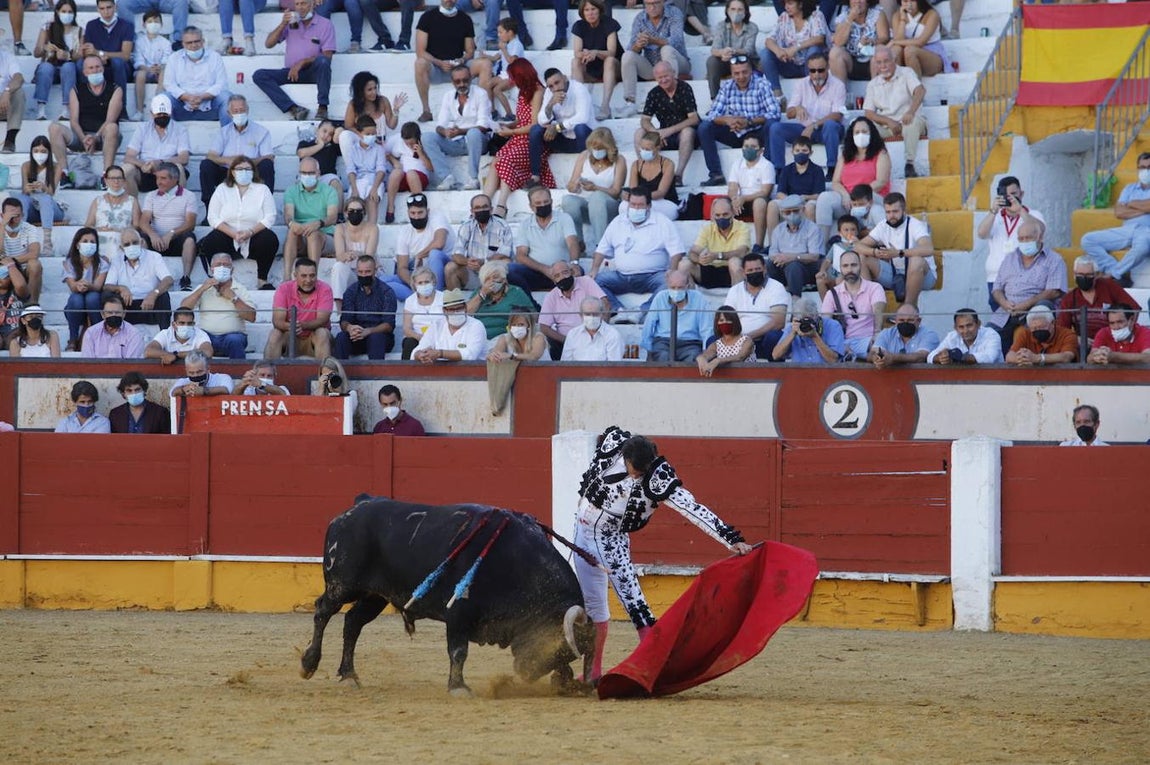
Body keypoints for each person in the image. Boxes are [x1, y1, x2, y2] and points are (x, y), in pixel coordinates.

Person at [572, 425, 752, 682]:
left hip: (610, 539)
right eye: (636, 469)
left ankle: (654, 670)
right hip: (580, 532)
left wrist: (731, 540)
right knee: (594, 606)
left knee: (635, 604)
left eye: (643, 471)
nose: (638, 476)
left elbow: (692, 509)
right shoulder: (615, 444)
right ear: (626, 458)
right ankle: (592, 673)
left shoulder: (658, 477)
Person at [591, 187, 685, 317]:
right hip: (621, 276)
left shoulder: (662, 222)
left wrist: (673, 270)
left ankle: (642, 312)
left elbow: (677, 251)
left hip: (653, 275)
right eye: (633, 204)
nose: (636, 208)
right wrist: (594, 269)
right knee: (593, 282)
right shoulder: (618, 221)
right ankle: (619, 311)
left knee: (670, 284)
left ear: (649, 206)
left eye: (640, 205)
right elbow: (601, 248)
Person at [697, 57, 780, 187]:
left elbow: (775, 113)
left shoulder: (762, 84)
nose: (741, 76)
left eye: (744, 72)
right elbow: (712, 114)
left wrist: (749, 122)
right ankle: (716, 174)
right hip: (734, 131)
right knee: (704, 127)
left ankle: (769, 169)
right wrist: (727, 120)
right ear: (731, 73)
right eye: (736, 73)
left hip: (755, 131)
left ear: (751, 71)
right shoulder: (727, 87)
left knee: (772, 125)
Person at [485, 59, 554, 215]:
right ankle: (485, 200)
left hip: (531, 141)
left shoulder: (537, 91)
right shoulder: (523, 92)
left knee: (505, 160)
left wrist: (511, 132)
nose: (512, 81)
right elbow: (522, 119)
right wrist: (508, 125)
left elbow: (534, 125)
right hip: (518, 138)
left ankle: (501, 205)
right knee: (497, 160)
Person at [199, 157, 279, 290]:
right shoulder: (222, 189)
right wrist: (232, 233)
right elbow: (213, 217)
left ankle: (262, 280)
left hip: (254, 235)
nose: (244, 172)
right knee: (210, 241)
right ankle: (218, 279)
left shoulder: (262, 189)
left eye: (248, 169)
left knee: (269, 239)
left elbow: (270, 217)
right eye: (240, 169)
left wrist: (250, 232)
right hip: (228, 236)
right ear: (232, 172)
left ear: (254, 172)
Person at [989, 217, 1064, 353]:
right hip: (1007, 310)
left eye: (1028, 238)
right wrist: (1004, 303)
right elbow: (996, 289)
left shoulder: (1054, 259)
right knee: (988, 336)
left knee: (1041, 311)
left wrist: (1024, 305)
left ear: (1040, 237)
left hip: (1035, 310)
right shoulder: (1010, 258)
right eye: (1021, 239)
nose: (1024, 242)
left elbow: (1054, 291)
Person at [253, 0, 336, 122]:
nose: (300, 7)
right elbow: (268, 44)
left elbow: (328, 55)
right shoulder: (291, 22)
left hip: (312, 72)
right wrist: (282, 24)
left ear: (312, 4)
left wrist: (302, 62)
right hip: (291, 72)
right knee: (259, 75)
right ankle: (294, 108)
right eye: (297, 4)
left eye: (304, 3)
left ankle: (322, 107)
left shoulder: (325, 24)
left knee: (323, 61)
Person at [48, 55, 122, 187]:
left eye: (98, 67)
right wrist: (84, 138)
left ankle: (106, 176)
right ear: (85, 72)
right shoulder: (76, 90)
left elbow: (111, 119)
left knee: (112, 127)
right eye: (91, 68)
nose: (95, 70)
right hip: (82, 136)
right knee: (54, 128)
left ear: (103, 69)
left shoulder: (115, 89)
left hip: (105, 136)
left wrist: (96, 137)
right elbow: (74, 121)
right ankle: (65, 174)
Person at [412, 0, 492, 123]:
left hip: (459, 68)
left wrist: (462, 60)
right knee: (420, 63)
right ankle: (426, 110)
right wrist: (439, 63)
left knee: (485, 64)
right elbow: (420, 52)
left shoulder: (465, 19)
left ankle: (484, 111)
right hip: (436, 68)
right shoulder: (427, 17)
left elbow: (470, 51)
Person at [768, 51, 845, 175]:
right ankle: (779, 170)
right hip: (804, 130)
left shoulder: (838, 85)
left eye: (820, 70)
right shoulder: (801, 84)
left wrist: (814, 126)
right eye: (812, 70)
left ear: (828, 68)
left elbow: (837, 115)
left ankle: (832, 168)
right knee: (776, 128)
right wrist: (797, 108)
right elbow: (789, 113)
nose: (816, 74)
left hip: (826, 130)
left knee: (831, 125)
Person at [1080, 152, 1150, 287]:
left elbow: (1127, 209)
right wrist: (1145, 208)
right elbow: (1119, 212)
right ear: (1137, 169)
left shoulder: (1130, 196)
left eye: (1149, 167)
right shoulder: (1129, 188)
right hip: (1127, 230)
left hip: (1147, 231)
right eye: (1142, 167)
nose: (1146, 170)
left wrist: (1131, 204)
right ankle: (1118, 270)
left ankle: (1113, 274)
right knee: (1088, 240)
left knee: (1142, 247)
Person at [854, 191, 936, 307]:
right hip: (895, 273)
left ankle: (907, 310)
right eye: (888, 212)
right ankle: (869, 308)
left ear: (904, 210)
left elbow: (928, 249)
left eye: (895, 211)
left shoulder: (915, 225)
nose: (891, 216)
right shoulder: (883, 225)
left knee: (916, 261)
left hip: (923, 276)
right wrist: (874, 252)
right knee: (863, 257)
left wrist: (898, 253)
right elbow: (858, 246)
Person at [815, 116, 890, 238]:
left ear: (872, 133)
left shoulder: (881, 153)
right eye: (857, 132)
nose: (861, 135)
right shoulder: (846, 155)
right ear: (852, 135)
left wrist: (858, 197)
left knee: (875, 210)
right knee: (824, 198)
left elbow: (881, 181)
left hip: (871, 198)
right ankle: (821, 247)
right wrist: (846, 195)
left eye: (865, 132)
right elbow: (835, 182)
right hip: (848, 201)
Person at [200, 95, 276, 212]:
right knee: (206, 165)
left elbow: (269, 157)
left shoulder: (261, 132)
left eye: (242, 110)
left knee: (267, 165)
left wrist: (243, 162)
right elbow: (211, 155)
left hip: (251, 171)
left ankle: (266, 210)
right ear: (229, 113)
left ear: (248, 110)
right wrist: (228, 160)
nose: (239, 113)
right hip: (227, 172)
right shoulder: (223, 132)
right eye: (235, 111)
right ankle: (209, 210)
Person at [977, 175, 1046, 305]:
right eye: (1006, 195)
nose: (1011, 198)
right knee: (999, 318)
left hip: (1024, 276)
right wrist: (993, 211)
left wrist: (1020, 210)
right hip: (995, 277)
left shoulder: (1033, 214)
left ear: (1022, 193)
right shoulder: (995, 217)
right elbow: (981, 233)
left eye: (1014, 194)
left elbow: (1040, 230)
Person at [617, 0, 690, 119]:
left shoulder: (674, 13)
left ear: (663, 2)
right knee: (627, 56)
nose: (652, 7)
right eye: (648, 4)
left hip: (678, 63)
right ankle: (630, 103)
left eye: (656, 3)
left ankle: (674, 98)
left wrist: (653, 40)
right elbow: (632, 48)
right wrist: (638, 45)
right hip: (653, 67)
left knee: (666, 49)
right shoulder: (640, 18)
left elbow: (677, 41)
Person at [423, 64, 491, 192]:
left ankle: (473, 178)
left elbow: (483, 126)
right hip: (456, 141)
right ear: (452, 82)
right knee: (426, 137)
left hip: (477, 142)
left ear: (471, 78)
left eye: (465, 80)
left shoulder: (481, 94)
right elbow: (440, 125)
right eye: (457, 81)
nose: (462, 84)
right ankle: (446, 177)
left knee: (473, 133)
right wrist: (445, 131)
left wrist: (461, 131)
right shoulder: (448, 96)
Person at [863, 45, 926, 178]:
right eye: (879, 62)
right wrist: (888, 121)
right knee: (864, 128)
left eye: (886, 61)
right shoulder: (873, 84)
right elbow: (868, 112)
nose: (883, 66)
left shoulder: (906, 72)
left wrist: (910, 112)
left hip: (908, 120)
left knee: (912, 123)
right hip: (888, 125)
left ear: (894, 60)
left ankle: (910, 164)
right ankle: (866, 166)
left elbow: (920, 90)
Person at [178, 251, 256, 359]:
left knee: (235, 339)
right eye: (218, 265)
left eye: (226, 265)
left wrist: (234, 298)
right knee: (195, 337)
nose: (222, 267)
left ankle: (239, 374)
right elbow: (183, 308)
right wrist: (201, 290)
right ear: (211, 269)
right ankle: (197, 372)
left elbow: (252, 317)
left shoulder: (240, 289)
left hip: (232, 336)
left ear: (232, 270)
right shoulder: (203, 287)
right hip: (206, 336)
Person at [561, 127, 626, 254]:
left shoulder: (619, 160)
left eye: (600, 149)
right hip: (586, 204)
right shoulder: (584, 156)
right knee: (568, 200)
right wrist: (575, 185)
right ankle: (578, 244)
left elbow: (616, 191)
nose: (596, 151)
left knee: (597, 197)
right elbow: (571, 184)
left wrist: (596, 187)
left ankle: (600, 246)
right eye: (594, 148)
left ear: (609, 147)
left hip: (608, 206)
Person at [140, 162, 198, 291]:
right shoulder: (151, 195)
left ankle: (186, 278)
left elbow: (190, 224)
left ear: (175, 179)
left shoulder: (189, 196)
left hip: (177, 240)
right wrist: (153, 235)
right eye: (157, 178)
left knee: (189, 238)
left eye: (163, 178)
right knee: (142, 238)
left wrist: (171, 233)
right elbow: (143, 222)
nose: (158, 182)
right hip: (156, 241)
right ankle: (144, 277)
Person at [511, 186, 581, 293]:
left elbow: (572, 243)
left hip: (563, 272)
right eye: (538, 203)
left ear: (551, 202)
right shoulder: (525, 225)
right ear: (531, 206)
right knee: (511, 271)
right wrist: (545, 269)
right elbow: (521, 255)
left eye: (546, 202)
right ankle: (530, 305)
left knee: (578, 272)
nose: (543, 205)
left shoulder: (564, 218)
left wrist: (574, 263)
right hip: (537, 272)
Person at [637, 60, 699, 179]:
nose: (663, 80)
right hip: (663, 136)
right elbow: (644, 120)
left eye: (666, 76)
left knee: (687, 132)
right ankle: (643, 170)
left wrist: (669, 131)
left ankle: (678, 175)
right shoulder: (654, 93)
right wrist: (655, 133)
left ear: (673, 73)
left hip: (684, 135)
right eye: (660, 77)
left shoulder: (684, 88)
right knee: (639, 133)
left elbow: (694, 119)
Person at [531, 68, 596, 180]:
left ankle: (585, 170)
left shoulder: (579, 89)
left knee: (580, 128)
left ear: (565, 78)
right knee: (536, 130)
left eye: (557, 83)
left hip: (584, 139)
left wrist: (557, 127)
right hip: (564, 140)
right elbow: (541, 120)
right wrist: (550, 104)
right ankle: (535, 176)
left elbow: (582, 117)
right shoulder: (549, 93)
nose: (555, 88)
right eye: (551, 86)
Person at [104, 227, 174, 329]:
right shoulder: (117, 260)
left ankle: (166, 334)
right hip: (127, 307)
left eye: (135, 242)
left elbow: (168, 279)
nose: (131, 246)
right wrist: (121, 288)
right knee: (107, 295)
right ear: (121, 248)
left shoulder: (154, 257)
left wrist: (154, 294)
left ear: (141, 242)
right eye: (127, 244)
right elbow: (107, 286)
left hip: (150, 305)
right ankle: (111, 333)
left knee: (163, 296)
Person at [723, 250, 789, 359]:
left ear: (765, 269)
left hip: (764, 340)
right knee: (714, 340)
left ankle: (775, 371)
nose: (754, 272)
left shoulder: (776, 287)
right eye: (750, 270)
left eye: (758, 269)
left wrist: (749, 336)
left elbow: (778, 323)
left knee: (774, 336)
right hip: (739, 340)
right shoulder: (735, 290)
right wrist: (736, 338)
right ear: (743, 272)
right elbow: (727, 318)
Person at [122, 94, 191, 196]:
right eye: (159, 114)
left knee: (179, 168)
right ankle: (134, 208)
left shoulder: (180, 130)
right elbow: (128, 156)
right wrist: (144, 165)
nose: (162, 117)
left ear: (170, 112)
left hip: (169, 171)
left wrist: (161, 163)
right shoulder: (143, 128)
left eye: (165, 114)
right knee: (126, 169)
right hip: (146, 172)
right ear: (152, 113)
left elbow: (184, 158)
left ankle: (179, 206)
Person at [283, 156, 339, 282]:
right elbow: (288, 215)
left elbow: (332, 217)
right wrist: (292, 223)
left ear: (318, 173)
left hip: (324, 235)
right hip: (300, 236)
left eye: (311, 173)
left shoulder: (329, 191)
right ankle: (286, 277)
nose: (307, 176)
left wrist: (318, 223)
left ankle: (313, 277)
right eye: (304, 173)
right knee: (292, 231)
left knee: (313, 234)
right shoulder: (291, 191)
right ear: (299, 173)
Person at [760, 0, 828, 103]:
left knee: (814, 50)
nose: (786, 7)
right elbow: (769, 40)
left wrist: (795, 48)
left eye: (790, 3)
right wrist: (778, 51)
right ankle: (778, 96)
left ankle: (812, 93)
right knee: (766, 53)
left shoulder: (816, 15)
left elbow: (819, 38)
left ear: (800, 4)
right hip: (789, 64)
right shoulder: (784, 17)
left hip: (810, 66)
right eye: (785, 4)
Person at [539, 261, 609, 360]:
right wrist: (568, 340)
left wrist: (600, 331)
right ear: (554, 281)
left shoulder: (586, 282)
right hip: (565, 341)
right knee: (550, 341)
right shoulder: (551, 296)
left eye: (565, 272)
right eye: (557, 276)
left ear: (572, 272)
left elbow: (605, 304)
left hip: (592, 335)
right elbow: (544, 327)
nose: (562, 278)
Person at [266, 257, 333, 359]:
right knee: (275, 334)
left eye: (312, 276)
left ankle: (324, 373)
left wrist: (301, 325)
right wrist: (292, 326)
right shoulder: (284, 288)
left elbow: (323, 319)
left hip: (314, 338)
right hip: (290, 337)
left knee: (322, 333)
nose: (308, 280)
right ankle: (267, 372)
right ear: (295, 275)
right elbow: (277, 321)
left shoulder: (325, 289)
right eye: (304, 276)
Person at [160, 27, 231, 125]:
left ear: (202, 41)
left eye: (197, 41)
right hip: (182, 107)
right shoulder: (174, 58)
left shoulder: (215, 57)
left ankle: (228, 138)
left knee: (227, 98)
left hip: (210, 107)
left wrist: (201, 97)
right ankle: (168, 138)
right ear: (183, 44)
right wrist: (187, 97)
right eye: (189, 42)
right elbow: (169, 84)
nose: (193, 45)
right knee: (162, 99)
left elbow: (221, 84)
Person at [821, 249, 883, 358]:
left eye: (853, 265)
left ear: (860, 266)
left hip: (869, 341)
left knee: (882, 343)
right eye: (845, 266)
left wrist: (877, 336)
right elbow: (826, 323)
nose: (850, 269)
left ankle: (861, 356)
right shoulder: (832, 294)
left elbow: (878, 312)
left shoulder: (874, 288)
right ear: (840, 269)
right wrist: (838, 346)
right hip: (842, 342)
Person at [1057, 257, 1135, 343]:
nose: (1084, 278)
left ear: (1096, 275)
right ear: (1074, 275)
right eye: (1080, 275)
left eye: (1088, 275)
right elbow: (1062, 331)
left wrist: (1124, 332)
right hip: (1084, 345)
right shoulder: (1069, 298)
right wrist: (1077, 339)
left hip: (1112, 341)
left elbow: (1134, 308)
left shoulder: (1109, 286)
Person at [334, 254, 398, 359]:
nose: (363, 275)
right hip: (356, 336)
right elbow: (344, 320)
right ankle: (338, 374)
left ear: (375, 270)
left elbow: (388, 325)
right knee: (341, 337)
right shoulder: (350, 291)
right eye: (360, 272)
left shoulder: (386, 292)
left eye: (368, 272)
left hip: (379, 336)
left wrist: (368, 331)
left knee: (376, 338)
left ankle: (376, 375)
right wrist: (350, 328)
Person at [445, 193, 513, 290]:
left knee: (506, 262)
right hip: (472, 272)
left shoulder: (502, 226)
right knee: (450, 267)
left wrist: (483, 262)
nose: (481, 210)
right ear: (472, 211)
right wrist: (467, 261)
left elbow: (505, 253)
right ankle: (456, 303)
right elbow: (456, 254)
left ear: (491, 209)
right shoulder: (466, 226)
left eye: (485, 207)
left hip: (493, 271)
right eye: (477, 208)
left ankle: (500, 298)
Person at [640, 270, 710, 362]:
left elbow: (707, 328)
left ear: (687, 286)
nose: (676, 291)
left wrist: (706, 353)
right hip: (663, 341)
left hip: (690, 343)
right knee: (662, 356)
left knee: (694, 358)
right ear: (667, 286)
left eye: (680, 288)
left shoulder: (698, 298)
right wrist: (648, 349)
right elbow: (649, 324)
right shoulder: (660, 297)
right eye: (673, 287)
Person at [32, 0, 83, 122]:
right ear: (57, 12)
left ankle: (66, 110)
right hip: (51, 68)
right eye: (64, 11)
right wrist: (44, 48)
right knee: (45, 67)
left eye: (70, 12)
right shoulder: (48, 28)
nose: (67, 14)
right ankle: (41, 110)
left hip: (68, 72)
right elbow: (36, 53)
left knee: (68, 66)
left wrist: (67, 56)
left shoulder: (78, 31)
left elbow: (79, 55)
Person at [570, 0, 621, 121]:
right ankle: (580, 105)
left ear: (599, 10)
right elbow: (577, 52)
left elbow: (612, 52)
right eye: (586, 10)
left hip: (614, 69)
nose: (590, 13)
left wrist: (596, 52)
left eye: (593, 9)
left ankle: (605, 106)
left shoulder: (609, 23)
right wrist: (585, 53)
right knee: (575, 62)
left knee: (609, 60)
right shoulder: (579, 25)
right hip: (592, 70)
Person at [61, 228, 109, 351]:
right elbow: (72, 286)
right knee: (76, 298)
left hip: (95, 305)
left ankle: (98, 336)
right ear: (77, 245)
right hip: (76, 308)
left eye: (93, 242)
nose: (89, 244)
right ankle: (73, 339)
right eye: (85, 241)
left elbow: (98, 286)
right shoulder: (69, 263)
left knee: (92, 296)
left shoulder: (102, 263)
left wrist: (88, 285)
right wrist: (78, 285)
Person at [768, 194, 824, 300]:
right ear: (782, 213)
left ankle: (795, 299)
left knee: (794, 266)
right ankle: (774, 295)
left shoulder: (813, 229)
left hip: (806, 267)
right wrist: (780, 258)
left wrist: (793, 257)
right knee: (769, 264)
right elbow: (772, 253)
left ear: (803, 210)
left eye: (795, 211)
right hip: (783, 265)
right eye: (787, 212)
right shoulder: (778, 230)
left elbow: (814, 256)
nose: (792, 215)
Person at [395, 192, 455, 291]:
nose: (416, 217)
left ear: (427, 211)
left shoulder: (437, 217)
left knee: (434, 254)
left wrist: (419, 255)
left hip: (445, 270)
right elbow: (402, 267)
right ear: (408, 213)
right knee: (384, 281)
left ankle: (436, 294)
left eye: (420, 212)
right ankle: (419, 296)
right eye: (413, 213)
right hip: (420, 276)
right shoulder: (404, 231)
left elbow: (439, 243)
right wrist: (414, 283)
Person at [14, 138, 64, 253]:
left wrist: (43, 188)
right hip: (33, 209)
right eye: (36, 151)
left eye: (43, 151)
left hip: (51, 209)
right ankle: (21, 240)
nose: (39, 154)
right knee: (22, 199)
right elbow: (24, 191)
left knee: (44, 198)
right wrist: (28, 188)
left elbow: (51, 193)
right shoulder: (26, 166)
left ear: (49, 152)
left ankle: (47, 242)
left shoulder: (56, 167)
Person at [686, 197, 748, 289]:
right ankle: (691, 301)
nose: (721, 218)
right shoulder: (708, 228)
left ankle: (738, 300)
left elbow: (742, 252)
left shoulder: (742, 227)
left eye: (725, 214)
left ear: (733, 213)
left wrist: (718, 255)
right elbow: (692, 252)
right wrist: (699, 260)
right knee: (684, 265)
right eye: (718, 215)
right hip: (710, 270)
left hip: (731, 272)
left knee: (734, 262)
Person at [412, 288, 488, 362]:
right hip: (441, 372)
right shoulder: (436, 325)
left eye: (459, 308)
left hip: (471, 372)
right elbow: (417, 351)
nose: (456, 312)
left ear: (465, 308)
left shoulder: (476, 325)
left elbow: (470, 355)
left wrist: (440, 353)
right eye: (451, 309)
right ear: (444, 311)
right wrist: (420, 355)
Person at [466, 260, 536, 340]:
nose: (491, 281)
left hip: (505, 337)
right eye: (487, 278)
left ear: (504, 280)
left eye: (495, 277)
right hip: (478, 335)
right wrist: (482, 294)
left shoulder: (516, 292)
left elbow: (533, 316)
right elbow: (466, 314)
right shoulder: (478, 292)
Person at [84, 165, 141, 259]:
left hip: (123, 237)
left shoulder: (132, 201)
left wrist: (118, 230)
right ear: (106, 180)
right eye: (112, 178)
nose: (116, 181)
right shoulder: (98, 201)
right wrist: (99, 229)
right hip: (101, 237)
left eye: (119, 178)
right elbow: (88, 225)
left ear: (124, 180)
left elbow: (137, 225)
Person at [383, 122, 435, 224]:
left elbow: (431, 167)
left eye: (411, 143)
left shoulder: (425, 142)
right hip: (403, 176)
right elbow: (384, 152)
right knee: (396, 173)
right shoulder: (397, 140)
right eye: (407, 143)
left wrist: (420, 153)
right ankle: (390, 207)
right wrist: (394, 161)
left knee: (411, 173)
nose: (409, 145)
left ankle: (418, 207)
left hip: (419, 177)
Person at [332, 197, 382, 302]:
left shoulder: (372, 228)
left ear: (364, 213)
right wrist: (346, 256)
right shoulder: (340, 228)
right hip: (349, 272)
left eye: (359, 211)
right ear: (346, 213)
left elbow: (369, 256)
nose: (355, 213)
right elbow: (339, 256)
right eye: (351, 211)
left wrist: (356, 254)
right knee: (338, 267)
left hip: (368, 272)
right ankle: (340, 311)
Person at [771, 134, 825, 230]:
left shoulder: (817, 170)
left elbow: (819, 194)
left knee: (810, 207)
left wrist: (804, 198)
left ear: (811, 152)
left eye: (804, 151)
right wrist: (791, 202)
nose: (800, 153)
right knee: (772, 205)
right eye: (797, 151)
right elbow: (780, 193)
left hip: (807, 201)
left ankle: (810, 241)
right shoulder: (786, 169)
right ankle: (773, 243)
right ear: (792, 152)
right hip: (789, 201)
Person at [78, 0, 134, 93]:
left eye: (109, 7)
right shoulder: (91, 25)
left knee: (118, 62)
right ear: (98, 9)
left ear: (115, 7)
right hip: (98, 64)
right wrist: (98, 60)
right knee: (82, 64)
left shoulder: (126, 26)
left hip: (121, 68)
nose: (106, 11)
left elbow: (126, 56)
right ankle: (87, 102)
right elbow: (88, 52)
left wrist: (100, 53)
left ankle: (121, 105)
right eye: (102, 8)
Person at [707, 0, 759, 99]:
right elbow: (714, 49)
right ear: (727, 11)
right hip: (726, 61)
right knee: (712, 61)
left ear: (746, 12)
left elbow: (749, 50)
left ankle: (747, 99)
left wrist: (732, 51)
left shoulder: (752, 27)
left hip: (745, 60)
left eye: (740, 9)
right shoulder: (721, 26)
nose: (736, 13)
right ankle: (715, 100)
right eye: (733, 9)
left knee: (743, 60)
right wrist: (722, 53)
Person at [624, 130, 679, 221]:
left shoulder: (668, 164)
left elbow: (661, 192)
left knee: (651, 210)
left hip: (664, 202)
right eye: (642, 148)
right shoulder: (636, 165)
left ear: (657, 148)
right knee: (623, 206)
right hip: (642, 202)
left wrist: (641, 199)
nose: (644, 151)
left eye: (648, 149)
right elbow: (633, 190)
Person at [829, 0, 889, 83]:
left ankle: (876, 91)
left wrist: (872, 42)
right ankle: (840, 92)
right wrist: (850, 18)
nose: (857, 2)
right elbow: (838, 42)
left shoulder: (877, 14)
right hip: (851, 61)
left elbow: (885, 37)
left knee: (880, 51)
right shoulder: (843, 17)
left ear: (868, 2)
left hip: (873, 58)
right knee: (835, 52)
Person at [344, 114, 388, 225]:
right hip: (358, 180)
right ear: (359, 133)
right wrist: (354, 188)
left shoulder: (379, 149)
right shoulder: (352, 150)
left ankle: (371, 228)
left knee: (372, 199)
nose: (371, 136)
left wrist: (374, 188)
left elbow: (381, 170)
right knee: (353, 203)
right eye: (368, 134)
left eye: (373, 133)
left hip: (375, 181)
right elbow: (351, 170)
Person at [772, 297, 845, 362]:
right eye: (803, 320)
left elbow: (833, 360)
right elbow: (775, 356)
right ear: (796, 318)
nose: (806, 323)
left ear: (816, 314)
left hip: (825, 373)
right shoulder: (792, 327)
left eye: (809, 319)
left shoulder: (833, 326)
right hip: (799, 373)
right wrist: (792, 333)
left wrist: (815, 337)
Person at [867, 302, 937, 367]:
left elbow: (921, 356)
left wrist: (893, 357)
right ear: (896, 320)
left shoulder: (929, 335)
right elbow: (872, 353)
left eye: (910, 320)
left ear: (919, 321)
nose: (905, 323)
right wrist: (876, 358)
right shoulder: (886, 333)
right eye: (901, 320)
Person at [889, 0, 947, 78]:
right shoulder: (897, 16)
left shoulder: (932, 14)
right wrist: (902, 19)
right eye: (905, 1)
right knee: (896, 50)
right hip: (906, 52)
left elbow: (921, 42)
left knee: (910, 51)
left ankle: (917, 88)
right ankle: (897, 86)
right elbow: (898, 40)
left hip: (931, 53)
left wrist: (894, 42)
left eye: (913, 1)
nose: (909, 4)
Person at [1005, 304, 1077, 367]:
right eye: (1034, 328)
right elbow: (1009, 356)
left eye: (1042, 327)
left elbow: (1066, 357)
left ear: (1052, 323)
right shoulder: (1024, 333)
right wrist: (1022, 359)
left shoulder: (1067, 334)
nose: (1038, 330)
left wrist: (1037, 358)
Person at [1, 198, 44, 303]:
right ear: (2, 215)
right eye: (10, 216)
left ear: (22, 215)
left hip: (22, 268)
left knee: (35, 264)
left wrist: (11, 261)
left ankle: (32, 306)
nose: (13, 219)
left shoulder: (30, 228)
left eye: (17, 216)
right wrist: (2, 226)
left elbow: (34, 254)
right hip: (3, 271)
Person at [81, 291, 146, 358]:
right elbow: (88, 363)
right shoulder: (91, 333)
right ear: (102, 314)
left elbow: (131, 364)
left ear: (124, 314)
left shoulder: (134, 334)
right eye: (109, 312)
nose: (113, 315)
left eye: (117, 312)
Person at [927, 308, 1002, 365]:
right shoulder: (952, 336)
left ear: (978, 324)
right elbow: (930, 357)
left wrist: (960, 358)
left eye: (969, 325)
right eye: (961, 327)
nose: (965, 331)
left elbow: (989, 357)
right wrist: (941, 358)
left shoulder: (991, 334)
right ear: (955, 328)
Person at [131, 11, 169, 121]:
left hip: (159, 72)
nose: (153, 24)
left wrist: (159, 67)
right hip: (145, 70)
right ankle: (139, 111)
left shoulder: (165, 42)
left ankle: (157, 105)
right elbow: (138, 61)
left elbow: (167, 59)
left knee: (165, 72)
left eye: (156, 21)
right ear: (144, 24)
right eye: (150, 21)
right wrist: (148, 69)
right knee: (140, 74)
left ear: (161, 24)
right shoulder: (139, 41)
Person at [298, 119, 344, 210]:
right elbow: (301, 153)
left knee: (335, 183)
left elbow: (342, 134)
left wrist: (339, 130)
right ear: (317, 130)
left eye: (330, 134)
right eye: (324, 131)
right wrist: (320, 145)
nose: (326, 135)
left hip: (326, 177)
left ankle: (338, 215)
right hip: (307, 176)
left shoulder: (333, 147)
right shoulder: (305, 143)